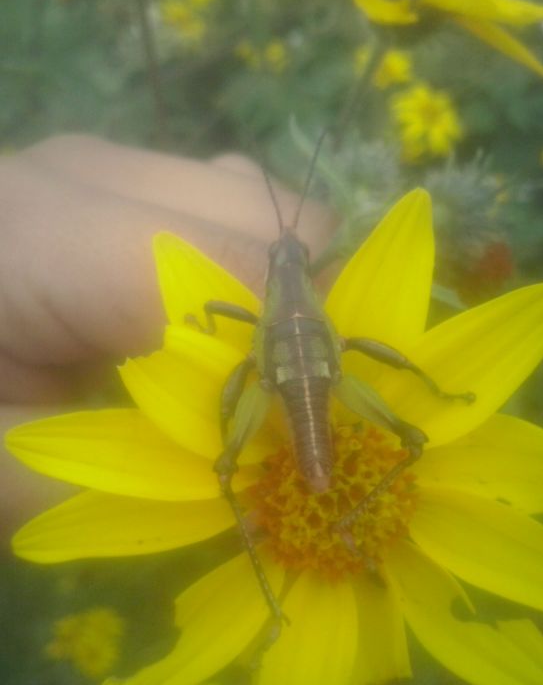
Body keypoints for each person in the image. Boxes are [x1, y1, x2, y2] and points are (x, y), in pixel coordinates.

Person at [0, 134, 335, 539]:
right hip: (306, 386)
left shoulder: (260, 293)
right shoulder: (319, 293)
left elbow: (222, 315)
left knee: (239, 398)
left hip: (282, 386)